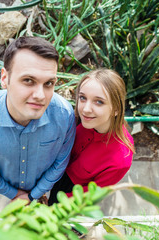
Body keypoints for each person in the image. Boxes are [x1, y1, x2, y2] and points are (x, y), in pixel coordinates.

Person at [0, 36, 76, 204]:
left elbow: (60, 162)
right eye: (28, 80)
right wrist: (13, 193)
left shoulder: (64, 116)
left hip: (43, 191)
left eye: (49, 83)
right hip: (0, 191)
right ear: (4, 78)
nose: (40, 96)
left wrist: (33, 195)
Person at [48, 68, 134, 205]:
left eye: (99, 102)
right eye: (83, 98)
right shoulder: (76, 119)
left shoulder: (120, 160)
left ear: (116, 109)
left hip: (72, 190)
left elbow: (93, 193)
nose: (86, 109)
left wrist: (59, 203)